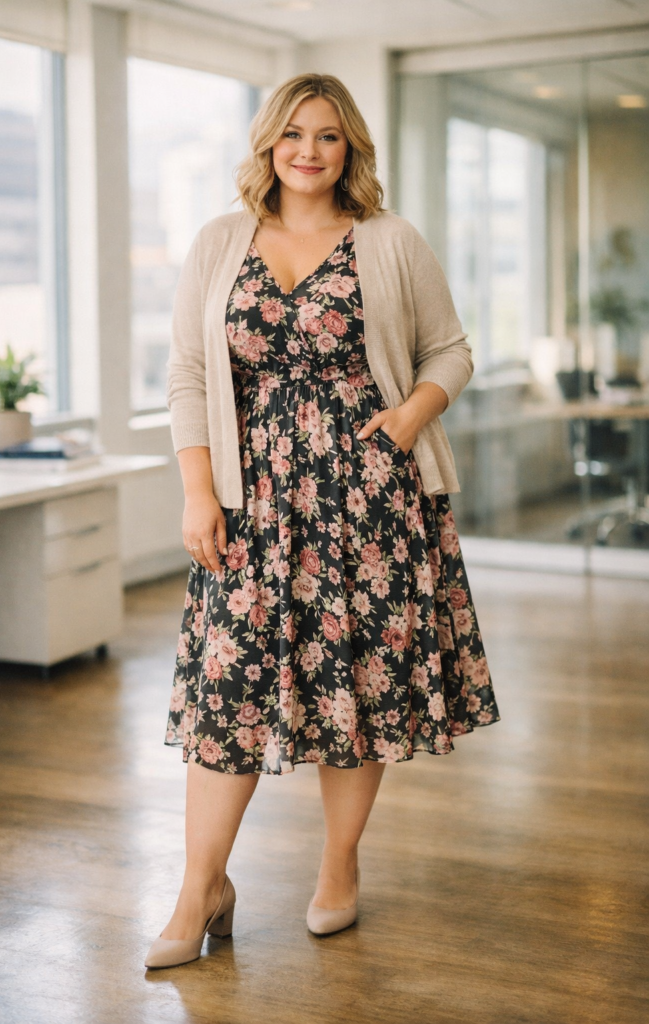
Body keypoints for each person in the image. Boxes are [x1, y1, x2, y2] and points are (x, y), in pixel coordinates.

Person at [145, 73, 499, 970]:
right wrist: (197, 492)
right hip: (249, 503)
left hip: (370, 501)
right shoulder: (220, 241)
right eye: (293, 133)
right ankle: (201, 886)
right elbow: (189, 374)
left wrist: (413, 413)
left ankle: (338, 865)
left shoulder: (388, 241)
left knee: (359, 687)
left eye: (329, 137)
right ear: (268, 143)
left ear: (351, 151)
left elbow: (449, 349)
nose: (309, 150)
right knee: (227, 695)